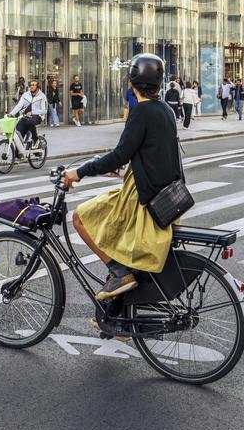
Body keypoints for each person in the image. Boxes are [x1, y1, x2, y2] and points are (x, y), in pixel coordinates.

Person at [63, 53, 184, 301]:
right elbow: (150, 149)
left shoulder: (141, 112)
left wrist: (79, 172)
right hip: (165, 197)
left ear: (131, 83)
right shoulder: (166, 110)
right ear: (159, 83)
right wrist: (129, 162)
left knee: (80, 219)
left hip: (140, 198)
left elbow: (120, 154)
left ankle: (118, 273)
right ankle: (120, 304)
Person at [10, 78, 47, 149]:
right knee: (19, 133)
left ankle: (35, 140)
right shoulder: (25, 95)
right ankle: (19, 153)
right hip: (25, 116)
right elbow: (19, 106)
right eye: (30, 85)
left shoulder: (42, 96)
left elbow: (44, 110)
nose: (31, 86)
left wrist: (33, 112)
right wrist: (11, 114)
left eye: (33, 85)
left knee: (30, 122)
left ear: (37, 86)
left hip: (38, 116)